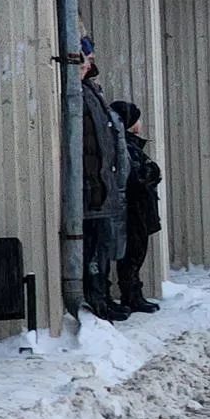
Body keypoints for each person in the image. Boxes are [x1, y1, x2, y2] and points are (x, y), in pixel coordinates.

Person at [78, 36, 131, 322]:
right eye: (87, 57)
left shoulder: (91, 91)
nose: (90, 62)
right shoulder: (80, 93)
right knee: (93, 252)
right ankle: (96, 300)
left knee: (103, 248)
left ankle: (104, 297)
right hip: (91, 188)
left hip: (100, 187)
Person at [109, 100, 162, 314]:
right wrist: (151, 174)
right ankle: (131, 296)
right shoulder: (126, 147)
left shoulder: (130, 145)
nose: (140, 123)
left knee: (136, 253)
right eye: (137, 118)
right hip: (134, 208)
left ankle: (133, 294)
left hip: (138, 207)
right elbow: (135, 179)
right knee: (133, 253)